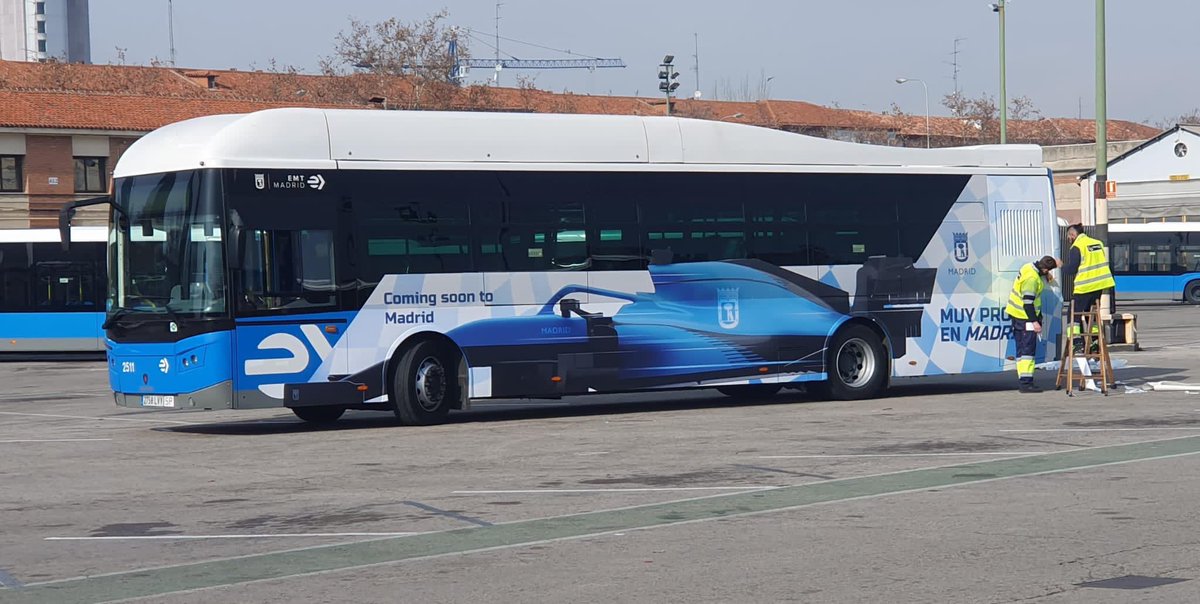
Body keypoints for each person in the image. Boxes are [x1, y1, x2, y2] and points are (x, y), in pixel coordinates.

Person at [1005, 255, 1059, 393]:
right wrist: (1035, 322)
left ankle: (1023, 379)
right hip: (1025, 317)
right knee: (1028, 350)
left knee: (1021, 349)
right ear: (1045, 269)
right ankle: (1026, 383)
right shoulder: (1032, 279)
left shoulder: (1028, 267)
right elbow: (1028, 303)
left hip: (1017, 315)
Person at [1062, 224, 1116, 353]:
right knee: (1091, 315)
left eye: (1069, 236)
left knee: (1072, 314)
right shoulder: (1097, 243)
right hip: (1099, 286)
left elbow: (1072, 269)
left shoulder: (1077, 247)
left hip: (1084, 286)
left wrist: (1061, 266)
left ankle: (1077, 342)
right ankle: (1095, 342)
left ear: (1072, 235)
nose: (1069, 239)